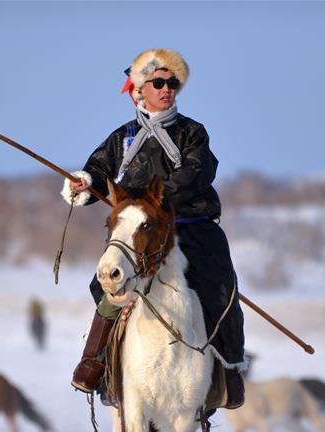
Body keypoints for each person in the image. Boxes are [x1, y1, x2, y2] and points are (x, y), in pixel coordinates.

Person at [61, 48, 246, 409]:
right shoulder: (121, 138)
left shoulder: (193, 133)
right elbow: (98, 170)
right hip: (138, 235)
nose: (167, 90)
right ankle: (94, 361)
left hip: (191, 230)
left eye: (172, 83)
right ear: (140, 89)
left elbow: (197, 172)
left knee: (221, 288)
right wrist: (84, 183)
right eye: (159, 83)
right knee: (107, 282)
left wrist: (155, 205)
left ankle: (229, 370)